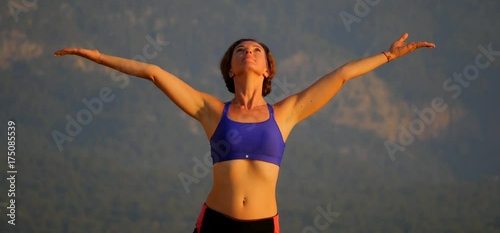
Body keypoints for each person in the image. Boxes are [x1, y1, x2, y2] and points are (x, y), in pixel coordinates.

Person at [54, 33, 435, 232]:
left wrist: (387, 56)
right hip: (215, 223)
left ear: (268, 69)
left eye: (256, 50)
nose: (248, 52)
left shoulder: (286, 113)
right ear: (231, 69)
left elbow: (341, 75)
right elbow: (153, 72)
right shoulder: (211, 111)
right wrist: (99, 58)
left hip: (264, 226)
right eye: (241, 50)